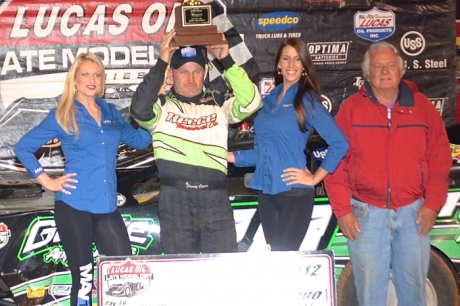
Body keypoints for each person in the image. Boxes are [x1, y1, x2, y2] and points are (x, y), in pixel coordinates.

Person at [14, 53, 152, 306]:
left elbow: (141, 141)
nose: (92, 79)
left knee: (123, 274)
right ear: (75, 80)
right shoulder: (62, 113)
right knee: (84, 279)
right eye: (86, 74)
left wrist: (151, 113)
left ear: (103, 80)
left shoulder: (111, 112)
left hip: (107, 207)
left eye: (97, 74)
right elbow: (22, 147)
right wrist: (47, 181)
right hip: (74, 206)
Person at [323, 41, 451, 306]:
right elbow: (334, 162)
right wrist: (343, 211)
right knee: (369, 294)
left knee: (414, 292)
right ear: (367, 74)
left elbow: (439, 159)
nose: (384, 71)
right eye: (377, 66)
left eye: (390, 65)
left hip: (414, 214)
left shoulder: (423, 108)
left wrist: (432, 204)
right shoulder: (351, 109)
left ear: (401, 71)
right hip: (366, 216)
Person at [130, 30, 262, 254]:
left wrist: (226, 59)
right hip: (175, 200)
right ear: (171, 74)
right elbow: (139, 111)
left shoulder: (219, 103)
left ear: (205, 73)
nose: (190, 79)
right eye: (183, 72)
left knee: (221, 269)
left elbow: (252, 103)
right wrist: (162, 61)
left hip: (215, 199)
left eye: (196, 71)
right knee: (180, 272)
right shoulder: (160, 107)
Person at [228, 38, 349, 251]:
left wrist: (314, 178)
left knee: (284, 258)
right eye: (286, 58)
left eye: (297, 59)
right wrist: (229, 157)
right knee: (276, 257)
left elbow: (339, 143)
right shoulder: (267, 101)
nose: (291, 64)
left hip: (294, 193)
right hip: (266, 192)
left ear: (304, 66)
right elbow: (261, 153)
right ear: (278, 65)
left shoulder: (307, 100)